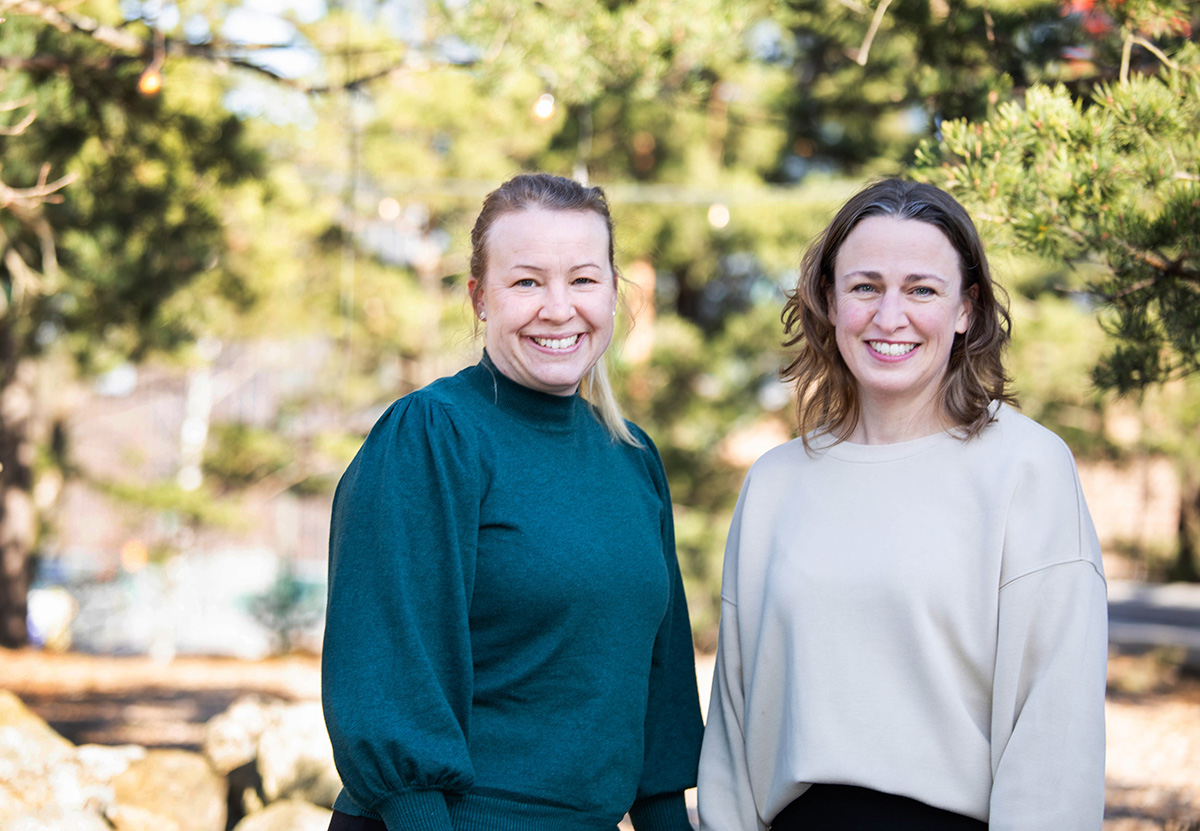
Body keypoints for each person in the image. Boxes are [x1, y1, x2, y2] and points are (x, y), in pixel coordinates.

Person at [697, 179, 1108, 831]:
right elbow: (733, 733)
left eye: (921, 289)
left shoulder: (1027, 468)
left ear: (966, 308)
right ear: (830, 301)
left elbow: (1054, 732)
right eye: (865, 287)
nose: (890, 317)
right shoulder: (776, 483)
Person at [322, 172, 704, 831]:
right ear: (479, 298)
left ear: (614, 293)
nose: (558, 308)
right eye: (527, 281)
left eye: (583, 279)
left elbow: (659, 698)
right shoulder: (434, 435)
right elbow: (387, 678)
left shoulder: (633, 457)